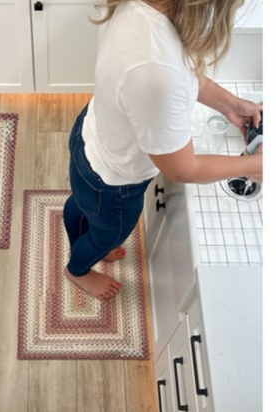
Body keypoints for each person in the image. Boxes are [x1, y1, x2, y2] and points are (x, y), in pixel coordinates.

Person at [63, 0, 263, 300]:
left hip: (90, 137)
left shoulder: (145, 9)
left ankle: (89, 236)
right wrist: (255, 166)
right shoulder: (157, 71)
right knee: (109, 235)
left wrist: (230, 105)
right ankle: (76, 270)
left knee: (81, 203)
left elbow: (180, 71)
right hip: (114, 183)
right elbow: (182, 168)